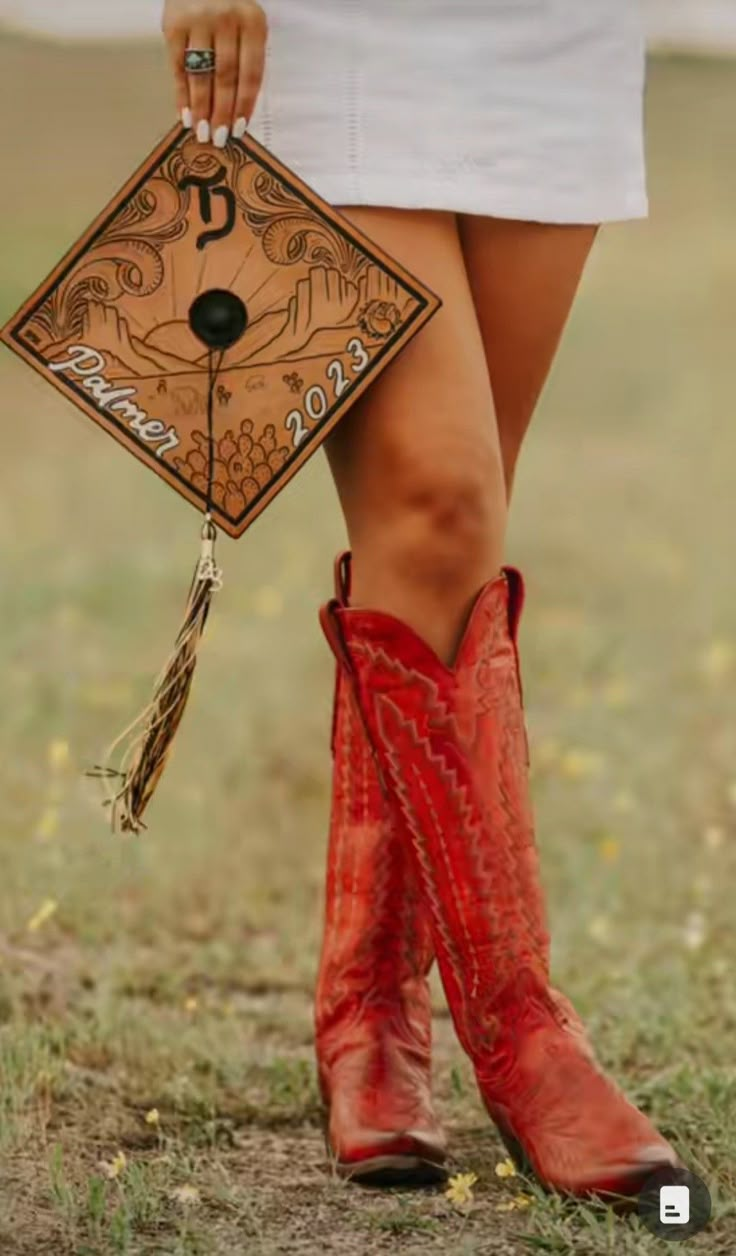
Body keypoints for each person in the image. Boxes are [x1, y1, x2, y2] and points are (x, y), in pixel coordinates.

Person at [162, 0, 683, 1196]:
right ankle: (522, 1031)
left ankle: (369, 1010)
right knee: (439, 505)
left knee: (452, 531)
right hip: (330, 30)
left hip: (551, 36)